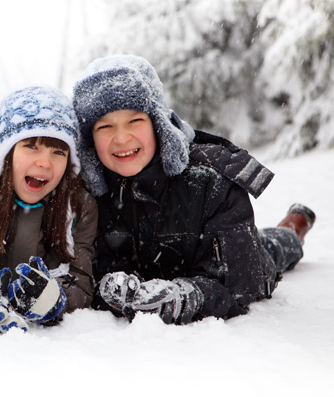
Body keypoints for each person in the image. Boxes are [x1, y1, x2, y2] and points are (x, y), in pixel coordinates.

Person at [71, 54, 316, 325]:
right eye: (105, 126)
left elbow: (240, 283)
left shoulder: (210, 179)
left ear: (158, 123)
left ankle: (294, 227)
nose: (121, 138)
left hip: (245, 252)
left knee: (271, 248)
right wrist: (109, 284)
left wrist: (186, 296)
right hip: (189, 254)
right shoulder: (87, 192)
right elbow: (89, 264)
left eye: (135, 121)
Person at [0, 85, 98, 333]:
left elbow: (81, 280)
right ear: (5, 152)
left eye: (58, 151)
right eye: (30, 146)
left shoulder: (79, 206)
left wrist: (56, 299)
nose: (44, 162)